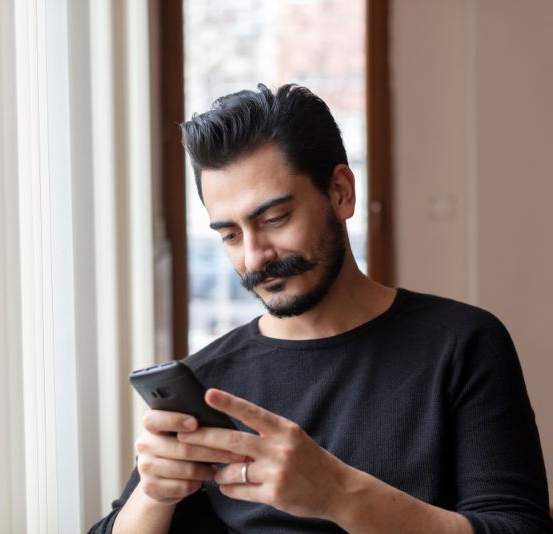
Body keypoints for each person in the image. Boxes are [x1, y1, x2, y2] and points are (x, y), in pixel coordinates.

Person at [89, 84, 552, 533]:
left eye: (273, 219)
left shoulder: (461, 344)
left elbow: (517, 524)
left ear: (341, 193)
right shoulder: (209, 383)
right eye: (230, 235)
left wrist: (337, 494)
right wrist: (153, 496)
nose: (253, 257)